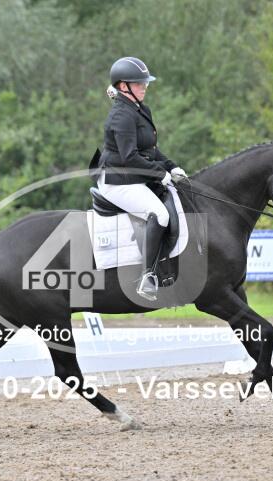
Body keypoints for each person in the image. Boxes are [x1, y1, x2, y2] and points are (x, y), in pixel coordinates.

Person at [95, 56, 187, 301]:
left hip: (134, 175)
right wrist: (160, 173)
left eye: (145, 82)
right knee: (160, 214)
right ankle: (148, 276)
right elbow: (130, 157)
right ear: (123, 86)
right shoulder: (121, 116)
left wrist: (172, 166)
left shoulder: (140, 109)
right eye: (139, 83)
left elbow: (150, 150)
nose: (144, 86)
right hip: (117, 180)